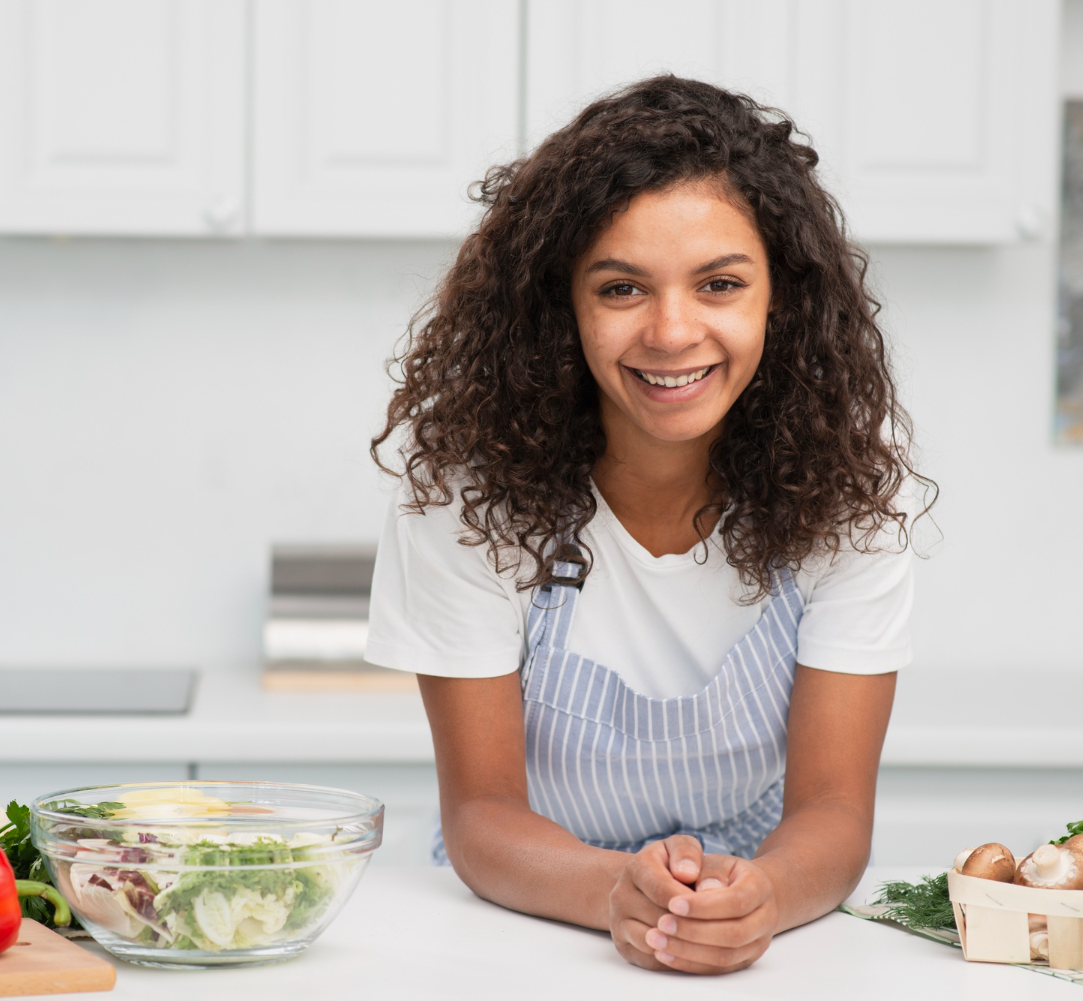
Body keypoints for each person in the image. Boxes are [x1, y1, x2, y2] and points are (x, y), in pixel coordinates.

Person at [365, 76, 932, 975]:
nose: (673, 333)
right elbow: (480, 816)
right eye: (623, 287)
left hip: (759, 933)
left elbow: (832, 812)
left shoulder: (852, 488)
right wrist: (615, 893)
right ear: (564, 307)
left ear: (778, 300)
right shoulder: (465, 491)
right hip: (518, 934)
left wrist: (762, 898)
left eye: (720, 283)